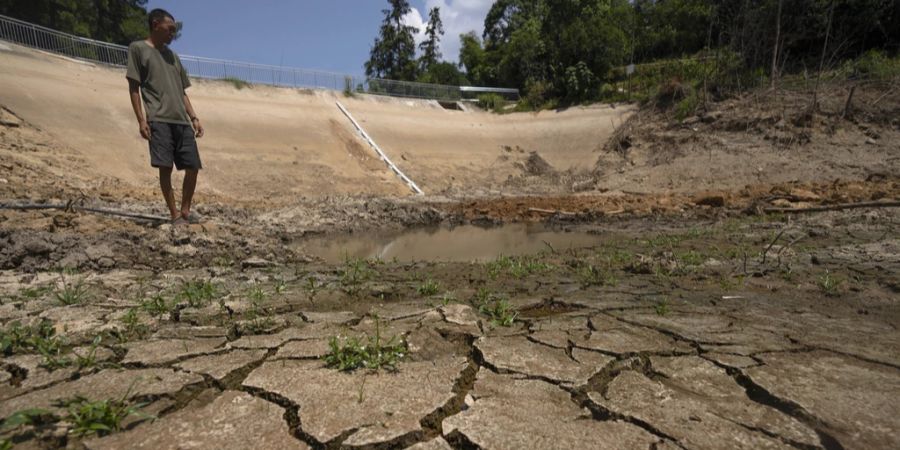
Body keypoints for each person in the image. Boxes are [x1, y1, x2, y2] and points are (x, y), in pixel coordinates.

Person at [126, 8, 205, 226]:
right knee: (165, 168)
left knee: (193, 166)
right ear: (155, 24)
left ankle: (186, 211)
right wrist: (141, 120)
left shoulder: (173, 57)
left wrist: (194, 117)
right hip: (158, 119)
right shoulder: (138, 49)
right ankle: (174, 215)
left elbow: (182, 91)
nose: (173, 33)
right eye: (170, 29)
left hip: (181, 120)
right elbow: (134, 86)